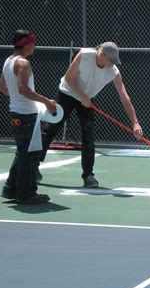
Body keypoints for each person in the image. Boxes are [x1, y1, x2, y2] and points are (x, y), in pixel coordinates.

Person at [40, 42, 143, 188]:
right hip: (67, 94)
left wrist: (135, 122)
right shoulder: (85, 55)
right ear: (101, 54)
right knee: (51, 129)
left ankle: (88, 175)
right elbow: (69, 78)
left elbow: (124, 97)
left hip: (86, 99)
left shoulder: (113, 71)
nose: (112, 64)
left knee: (88, 136)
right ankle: (34, 164)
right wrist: (82, 97)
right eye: (110, 60)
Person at [0, 30, 57, 204]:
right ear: (27, 43)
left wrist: (17, 98)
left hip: (16, 113)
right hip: (27, 115)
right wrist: (47, 102)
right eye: (33, 42)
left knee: (22, 152)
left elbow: (2, 87)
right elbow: (24, 89)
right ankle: (27, 193)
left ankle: (10, 189)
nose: (35, 46)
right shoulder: (23, 63)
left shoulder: (8, 61)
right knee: (31, 154)